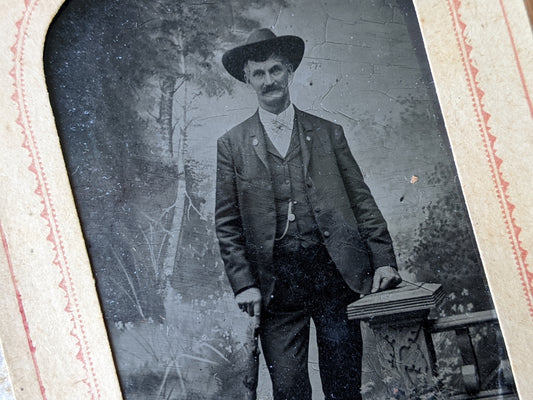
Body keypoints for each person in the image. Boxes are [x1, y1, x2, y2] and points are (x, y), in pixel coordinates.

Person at [215, 28, 402, 400]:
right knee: (288, 388)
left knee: (344, 385)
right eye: (259, 73)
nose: (269, 81)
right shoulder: (232, 145)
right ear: (248, 80)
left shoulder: (329, 132)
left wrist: (383, 259)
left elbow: (361, 200)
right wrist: (244, 283)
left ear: (289, 72)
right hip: (275, 287)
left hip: (333, 276)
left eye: (275, 70)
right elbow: (228, 224)